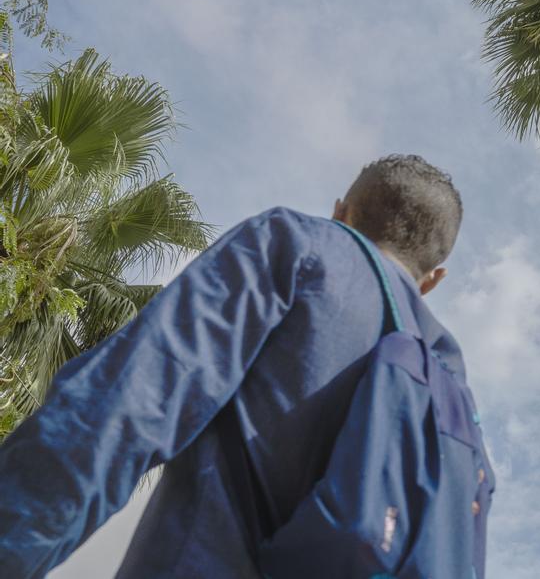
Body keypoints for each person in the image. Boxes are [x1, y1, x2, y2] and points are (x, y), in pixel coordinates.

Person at [0, 154, 494, 578]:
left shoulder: (297, 247)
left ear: (341, 214)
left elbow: (126, 406)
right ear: (433, 279)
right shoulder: (449, 375)